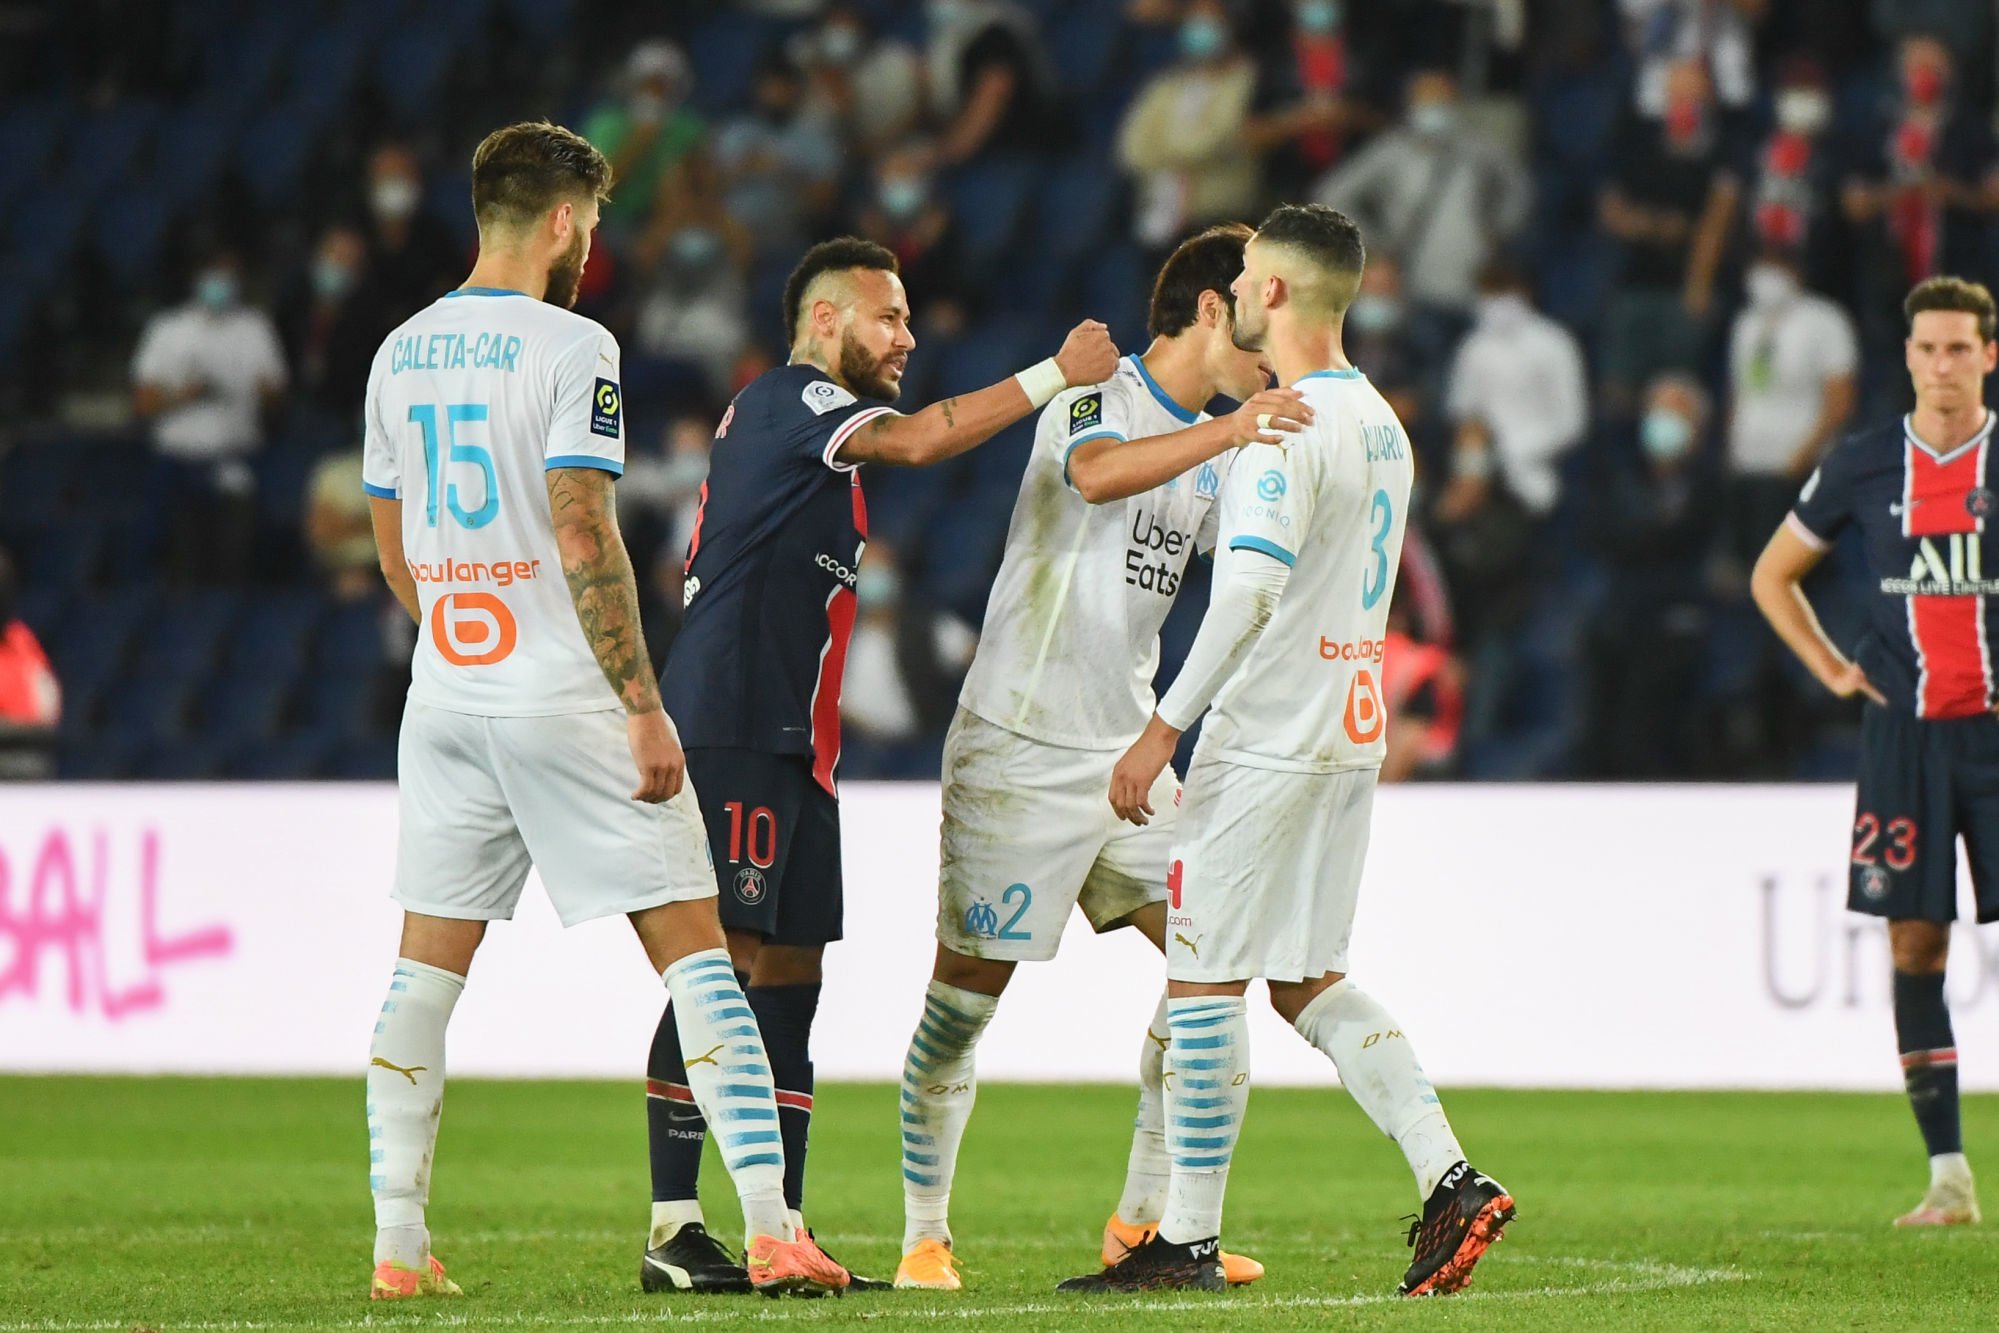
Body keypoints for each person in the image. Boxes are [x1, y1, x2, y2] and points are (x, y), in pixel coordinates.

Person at [357, 120, 848, 1302]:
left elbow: (391, 549)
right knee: (697, 958)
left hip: (449, 695)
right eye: (596, 225)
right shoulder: (574, 343)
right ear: (568, 220)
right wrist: (639, 701)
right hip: (564, 694)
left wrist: (467, 632)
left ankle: (399, 1249)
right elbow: (583, 528)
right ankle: (776, 1228)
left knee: (423, 972)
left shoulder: (398, 351)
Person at [637, 237, 1119, 1293]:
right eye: (886, 317)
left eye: (905, 319)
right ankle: (676, 1225)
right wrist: (1053, 376)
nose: (905, 337)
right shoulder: (789, 398)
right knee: (718, 960)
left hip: (797, 746)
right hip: (731, 724)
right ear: (822, 322)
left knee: (793, 974)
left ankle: (786, 1223)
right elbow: (922, 439)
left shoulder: (815, 444)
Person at [1062, 204, 1513, 1298]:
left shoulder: (1282, 424)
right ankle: (1450, 1176)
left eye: (1251, 273)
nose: (1240, 291)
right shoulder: (1384, 426)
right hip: (1347, 735)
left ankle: (1186, 1240)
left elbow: (1255, 587)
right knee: (1308, 982)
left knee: (1204, 976)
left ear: (1276, 293)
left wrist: (1163, 726)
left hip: (1266, 742)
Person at [887, 223, 1311, 1293]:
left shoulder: (1224, 444)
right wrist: (1235, 436)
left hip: (1127, 754)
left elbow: (1254, 571)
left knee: (1212, 971)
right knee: (961, 1007)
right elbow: (1096, 476)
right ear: (1212, 310)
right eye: (1264, 321)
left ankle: (1144, 1222)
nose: (1275, 349)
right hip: (1017, 748)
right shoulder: (1097, 391)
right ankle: (924, 1234)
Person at [1751, 275, 1999, 1229]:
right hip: (1903, 736)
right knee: (1913, 942)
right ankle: (1949, 1178)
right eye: (1926, 349)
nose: (1941, 365)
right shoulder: (1862, 462)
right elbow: (1773, 572)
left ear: (1988, 355)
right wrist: (1826, 665)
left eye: (1959, 349)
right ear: (1905, 357)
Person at [1582, 374, 1720, 778]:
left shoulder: (1713, 485)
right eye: (1657, 411)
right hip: (1623, 617)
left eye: (1675, 412)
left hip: (1682, 616)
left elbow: (1709, 555)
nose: (1663, 421)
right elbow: (1603, 535)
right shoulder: (1617, 476)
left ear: (1697, 426)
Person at [1312, 69, 1531, 323]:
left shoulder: (1477, 149)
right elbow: (1331, 194)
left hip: (1471, 285)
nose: (1433, 109)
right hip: (1413, 288)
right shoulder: (1391, 151)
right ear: (1411, 105)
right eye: (1426, 101)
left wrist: (1499, 228)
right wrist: (1373, 244)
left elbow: (1519, 188)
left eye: (1440, 101)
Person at [130, 249, 287, 585]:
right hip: (177, 462)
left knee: (239, 552)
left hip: (236, 458)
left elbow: (277, 396)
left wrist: (264, 393)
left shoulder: (254, 328)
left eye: (228, 276)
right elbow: (142, 403)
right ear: (197, 279)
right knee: (179, 556)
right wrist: (182, 395)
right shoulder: (168, 329)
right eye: (214, 275)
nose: (221, 284)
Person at [1597, 58, 1741, 411]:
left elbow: (1719, 218)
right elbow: (1612, 209)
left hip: (1684, 289)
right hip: (1635, 283)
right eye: (1677, 92)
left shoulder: (1722, 148)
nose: (1683, 100)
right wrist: (1653, 225)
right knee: (1619, 391)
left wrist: (1699, 285)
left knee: (1675, 393)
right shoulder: (1638, 141)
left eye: (1692, 93)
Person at [1724, 244, 1857, 565]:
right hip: (1746, 465)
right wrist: (1730, 450)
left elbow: (1840, 401)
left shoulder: (1825, 320)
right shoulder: (1746, 323)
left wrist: (1802, 456)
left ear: (1795, 271)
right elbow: (1738, 393)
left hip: (1796, 467)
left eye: (1775, 266)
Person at [1443, 259, 1589, 521]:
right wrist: (1480, 461)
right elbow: (1463, 414)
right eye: (1489, 292)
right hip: (1484, 466)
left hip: (1542, 463)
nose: (1494, 301)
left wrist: (1521, 448)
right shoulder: (1473, 347)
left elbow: (1573, 423)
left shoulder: (1556, 343)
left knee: (1539, 495)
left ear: (1523, 292)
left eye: (1502, 291)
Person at [1115, 2, 1260, 259]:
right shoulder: (1165, 86)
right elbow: (1132, 150)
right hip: (1163, 219)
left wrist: (1165, 151)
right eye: (1193, 21)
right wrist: (1182, 155)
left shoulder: (1246, 80)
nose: (1200, 30)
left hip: (1221, 219)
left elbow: (1214, 140)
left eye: (1210, 22)